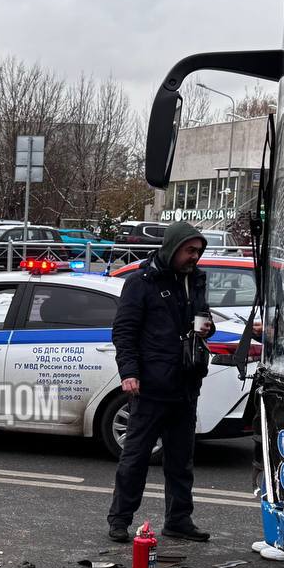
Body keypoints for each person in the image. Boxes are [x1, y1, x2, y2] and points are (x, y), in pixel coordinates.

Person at [108, 221, 215, 543]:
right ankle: (119, 520)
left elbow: (201, 316)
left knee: (181, 461)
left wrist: (206, 327)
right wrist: (129, 373)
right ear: (173, 248)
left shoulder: (196, 279)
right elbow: (124, 331)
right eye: (189, 250)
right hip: (151, 386)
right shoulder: (141, 282)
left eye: (198, 251)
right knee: (136, 458)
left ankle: (179, 520)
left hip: (186, 383)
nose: (194, 257)